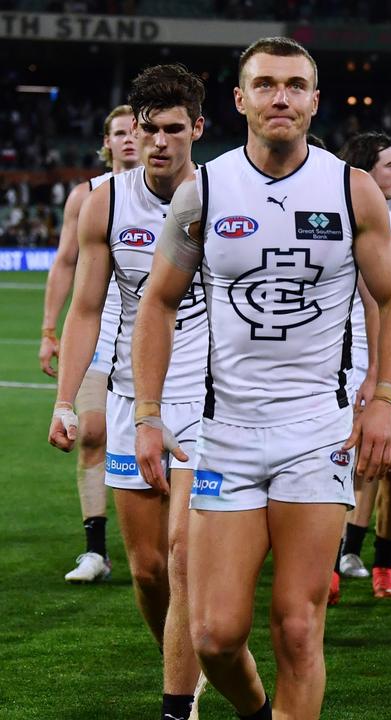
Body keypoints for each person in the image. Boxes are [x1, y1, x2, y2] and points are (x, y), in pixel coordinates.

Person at [128, 37, 391, 719]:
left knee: (296, 624)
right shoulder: (205, 190)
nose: (279, 97)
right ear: (239, 100)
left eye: (294, 85)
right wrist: (145, 413)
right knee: (214, 636)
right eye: (264, 84)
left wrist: (381, 397)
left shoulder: (352, 190)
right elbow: (158, 303)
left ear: (315, 100)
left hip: (316, 433)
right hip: (224, 435)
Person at [47, 65, 208, 720]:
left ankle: (181, 698)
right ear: (132, 133)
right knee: (146, 571)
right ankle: (180, 657)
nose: (161, 141)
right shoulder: (105, 202)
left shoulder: (223, 197)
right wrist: (64, 400)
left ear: (198, 128)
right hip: (126, 391)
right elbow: (87, 307)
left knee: (182, 555)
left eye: (175, 128)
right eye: (150, 129)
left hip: (205, 395)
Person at [41, 104, 139, 583]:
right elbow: (64, 262)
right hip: (102, 332)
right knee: (93, 431)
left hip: (161, 336)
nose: (128, 140)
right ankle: (96, 550)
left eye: (135, 131)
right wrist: (47, 330)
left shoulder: (181, 191)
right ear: (106, 140)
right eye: (118, 132)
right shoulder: (88, 195)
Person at [331, 131, 391, 600]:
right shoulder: (343, 210)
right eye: (390, 165)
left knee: (390, 462)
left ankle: (382, 566)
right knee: (340, 458)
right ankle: (336, 558)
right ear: (365, 171)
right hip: (343, 353)